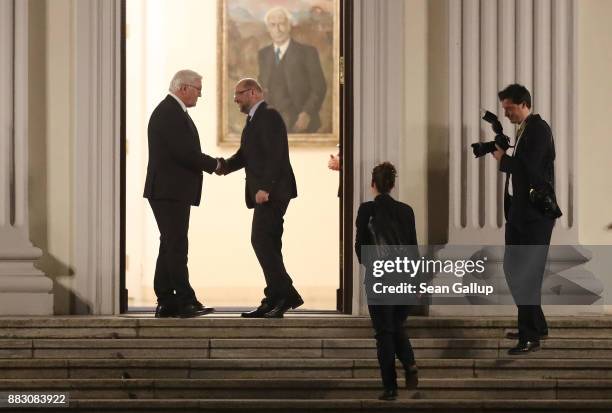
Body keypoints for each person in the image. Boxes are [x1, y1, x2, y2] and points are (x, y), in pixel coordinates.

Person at [217, 78, 302, 318]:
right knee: (269, 244)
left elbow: (276, 156)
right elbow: (245, 155)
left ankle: (283, 295)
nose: (235, 99)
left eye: (239, 94)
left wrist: (265, 187)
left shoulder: (269, 116)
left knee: (261, 241)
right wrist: (223, 166)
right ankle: (276, 297)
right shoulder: (254, 119)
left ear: (253, 92)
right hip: (267, 193)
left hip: (272, 193)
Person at [143, 69, 220, 318]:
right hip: (168, 191)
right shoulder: (169, 112)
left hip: (170, 190)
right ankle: (185, 301)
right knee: (176, 245)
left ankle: (166, 301)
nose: (201, 94)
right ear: (183, 88)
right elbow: (184, 153)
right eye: (198, 88)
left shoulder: (173, 111)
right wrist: (216, 165)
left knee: (169, 244)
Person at [492, 84, 558, 354]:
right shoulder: (525, 130)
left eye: (509, 109)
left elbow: (529, 170)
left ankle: (529, 336)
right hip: (521, 215)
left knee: (524, 274)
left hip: (534, 217)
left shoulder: (538, 129)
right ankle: (535, 325)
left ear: (523, 104)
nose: (506, 114)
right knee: (516, 270)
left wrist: (502, 159)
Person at [355, 162, 419, 401]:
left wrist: (370, 264)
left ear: (373, 184)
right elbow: (413, 249)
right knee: (395, 326)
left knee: (384, 332)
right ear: (392, 185)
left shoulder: (366, 210)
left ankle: (390, 387)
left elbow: (360, 246)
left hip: (379, 279)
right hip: (404, 279)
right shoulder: (406, 211)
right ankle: (410, 364)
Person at [258, 6, 327, 133]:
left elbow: (319, 87)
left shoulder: (308, 52)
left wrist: (307, 113)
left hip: (300, 122)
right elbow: (262, 87)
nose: (277, 29)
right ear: (268, 29)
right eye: (273, 25)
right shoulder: (263, 54)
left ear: (289, 26)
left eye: (281, 24)